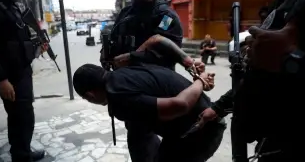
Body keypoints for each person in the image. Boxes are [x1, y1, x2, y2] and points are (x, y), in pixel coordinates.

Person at [197, 0, 305, 161]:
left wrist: (293, 59)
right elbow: (262, 68)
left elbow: (283, 56)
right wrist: (219, 107)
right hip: (269, 139)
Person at [101, 0, 186, 161]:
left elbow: (168, 51)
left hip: (159, 87)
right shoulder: (125, 14)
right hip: (132, 89)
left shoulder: (165, 17)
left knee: (171, 141)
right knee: (139, 141)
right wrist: (106, 54)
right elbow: (114, 39)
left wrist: (132, 57)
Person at [73, 63, 223, 162]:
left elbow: (180, 105)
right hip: (183, 130)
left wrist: (200, 81)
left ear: (90, 95)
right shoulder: (121, 74)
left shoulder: (118, 97)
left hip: (203, 129)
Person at [0, 0, 46, 162]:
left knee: (23, 116)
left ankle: (23, 152)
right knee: (20, 118)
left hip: (22, 71)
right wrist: (0, 80)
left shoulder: (12, 6)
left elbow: (18, 40)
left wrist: (37, 48)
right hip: (9, 76)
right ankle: (21, 156)